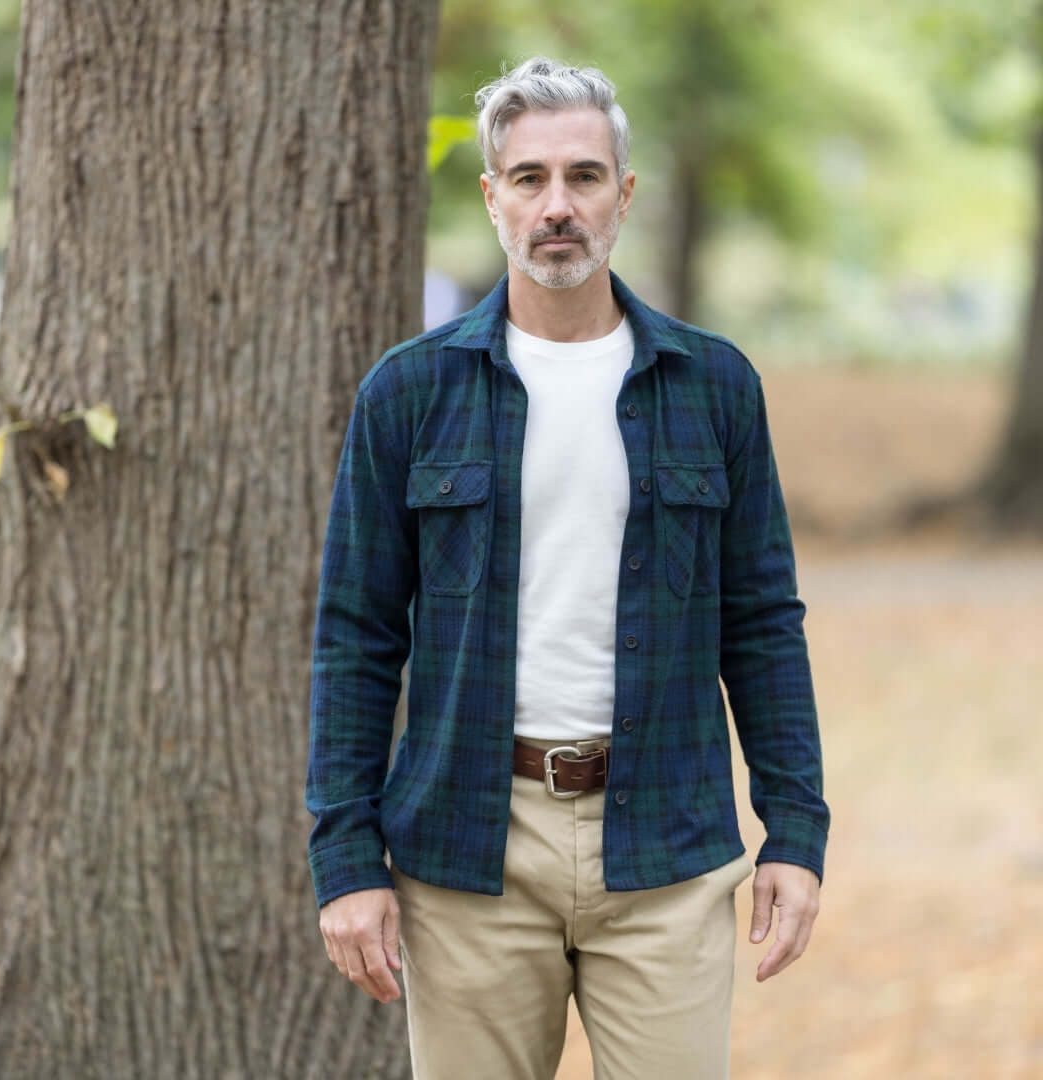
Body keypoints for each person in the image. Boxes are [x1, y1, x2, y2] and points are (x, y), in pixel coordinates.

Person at [306, 56, 830, 1079]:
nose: (559, 205)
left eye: (585, 177)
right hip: (466, 851)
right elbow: (354, 638)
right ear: (493, 196)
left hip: (667, 845)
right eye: (532, 178)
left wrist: (797, 830)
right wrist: (344, 859)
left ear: (623, 197)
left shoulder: (712, 386)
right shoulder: (409, 395)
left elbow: (763, 621)